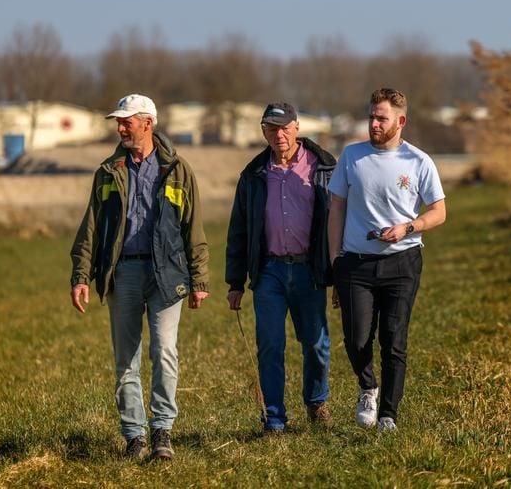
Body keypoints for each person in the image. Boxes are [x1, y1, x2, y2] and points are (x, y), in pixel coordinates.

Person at [69, 94, 210, 461]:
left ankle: (162, 430)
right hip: (123, 272)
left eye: (126, 121)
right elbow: (91, 227)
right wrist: (81, 275)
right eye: (118, 122)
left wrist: (200, 279)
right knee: (125, 359)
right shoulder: (107, 171)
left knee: (164, 351)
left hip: (167, 273)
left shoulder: (178, 169)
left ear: (147, 123)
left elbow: (193, 228)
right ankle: (135, 436)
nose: (120, 128)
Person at [327, 87, 446, 433]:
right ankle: (368, 388)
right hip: (355, 264)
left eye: (382, 118)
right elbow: (336, 208)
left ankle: (388, 416)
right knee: (356, 339)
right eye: (371, 116)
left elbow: (439, 211)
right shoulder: (351, 157)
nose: (374, 124)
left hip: (402, 262)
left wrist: (409, 227)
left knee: (394, 339)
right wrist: (335, 258)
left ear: (401, 121)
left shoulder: (419, 161)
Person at [225, 103, 336, 433]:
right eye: (272, 128)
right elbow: (239, 230)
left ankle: (316, 402)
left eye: (285, 127)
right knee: (271, 344)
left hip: (309, 270)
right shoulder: (253, 175)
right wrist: (235, 281)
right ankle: (274, 418)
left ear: (298, 127)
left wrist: (339, 273)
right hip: (269, 271)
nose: (279, 134)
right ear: (264, 132)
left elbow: (340, 223)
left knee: (317, 343)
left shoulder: (324, 168)